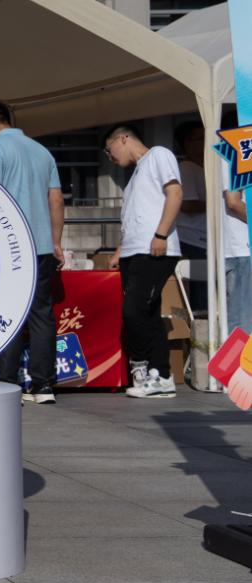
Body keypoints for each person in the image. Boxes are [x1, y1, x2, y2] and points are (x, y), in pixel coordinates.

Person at [0, 100, 63, 404]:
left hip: (9, 247)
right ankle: (44, 385)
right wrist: (56, 241)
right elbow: (56, 199)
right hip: (42, 245)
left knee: (8, 312)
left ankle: (7, 382)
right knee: (42, 314)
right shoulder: (42, 151)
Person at [105, 124, 183, 398]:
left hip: (154, 250)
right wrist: (119, 251)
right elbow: (132, 219)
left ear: (123, 138)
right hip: (134, 252)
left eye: (110, 149)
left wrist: (161, 234)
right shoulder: (135, 177)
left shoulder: (158, 154)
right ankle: (153, 374)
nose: (110, 157)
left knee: (136, 311)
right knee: (146, 312)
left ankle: (160, 374)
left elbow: (175, 192)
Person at [175, 121, 209, 260]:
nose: (206, 141)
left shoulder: (201, 168)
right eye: (201, 138)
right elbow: (187, 205)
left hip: (200, 238)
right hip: (193, 239)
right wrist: (219, 205)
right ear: (187, 143)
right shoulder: (186, 168)